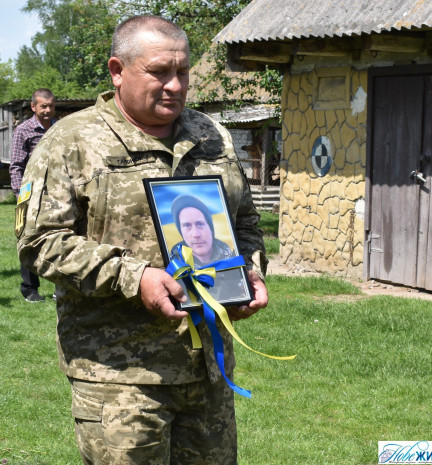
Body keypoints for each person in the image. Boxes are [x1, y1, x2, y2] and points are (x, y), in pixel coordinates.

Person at [16, 15, 268, 465]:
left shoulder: (211, 136)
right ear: (118, 71)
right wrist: (135, 277)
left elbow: (245, 221)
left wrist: (249, 271)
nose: (175, 85)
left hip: (207, 372)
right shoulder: (72, 141)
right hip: (120, 377)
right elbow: (40, 242)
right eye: (159, 72)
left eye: (183, 72)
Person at [9, 88, 55, 302]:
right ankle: (30, 289)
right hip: (31, 195)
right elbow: (16, 166)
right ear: (33, 107)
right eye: (43, 106)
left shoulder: (60, 127)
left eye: (51, 106)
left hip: (58, 193)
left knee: (60, 239)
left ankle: (60, 287)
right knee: (29, 240)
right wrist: (21, 196)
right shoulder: (23, 130)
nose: (48, 110)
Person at [169, 194, 248, 303]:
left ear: (210, 228)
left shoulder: (231, 260)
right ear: (181, 232)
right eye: (187, 226)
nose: (195, 234)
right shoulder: (174, 265)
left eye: (200, 224)